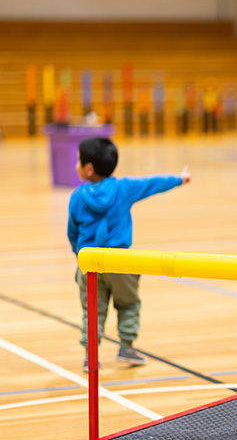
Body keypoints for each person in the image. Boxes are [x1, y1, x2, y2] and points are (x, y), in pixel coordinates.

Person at [68, 137, 191, 373]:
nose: (77, 165)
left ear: (89, 169)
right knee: (128, 304)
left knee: (93, 310)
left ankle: (90, 355)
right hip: (121, 262)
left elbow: (72, 232)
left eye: (78, 161)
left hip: (89, 263)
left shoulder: (77, 197)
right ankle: (126, 347)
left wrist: (80, 256)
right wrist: (179, 179)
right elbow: (152, 183)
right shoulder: (124, 188)